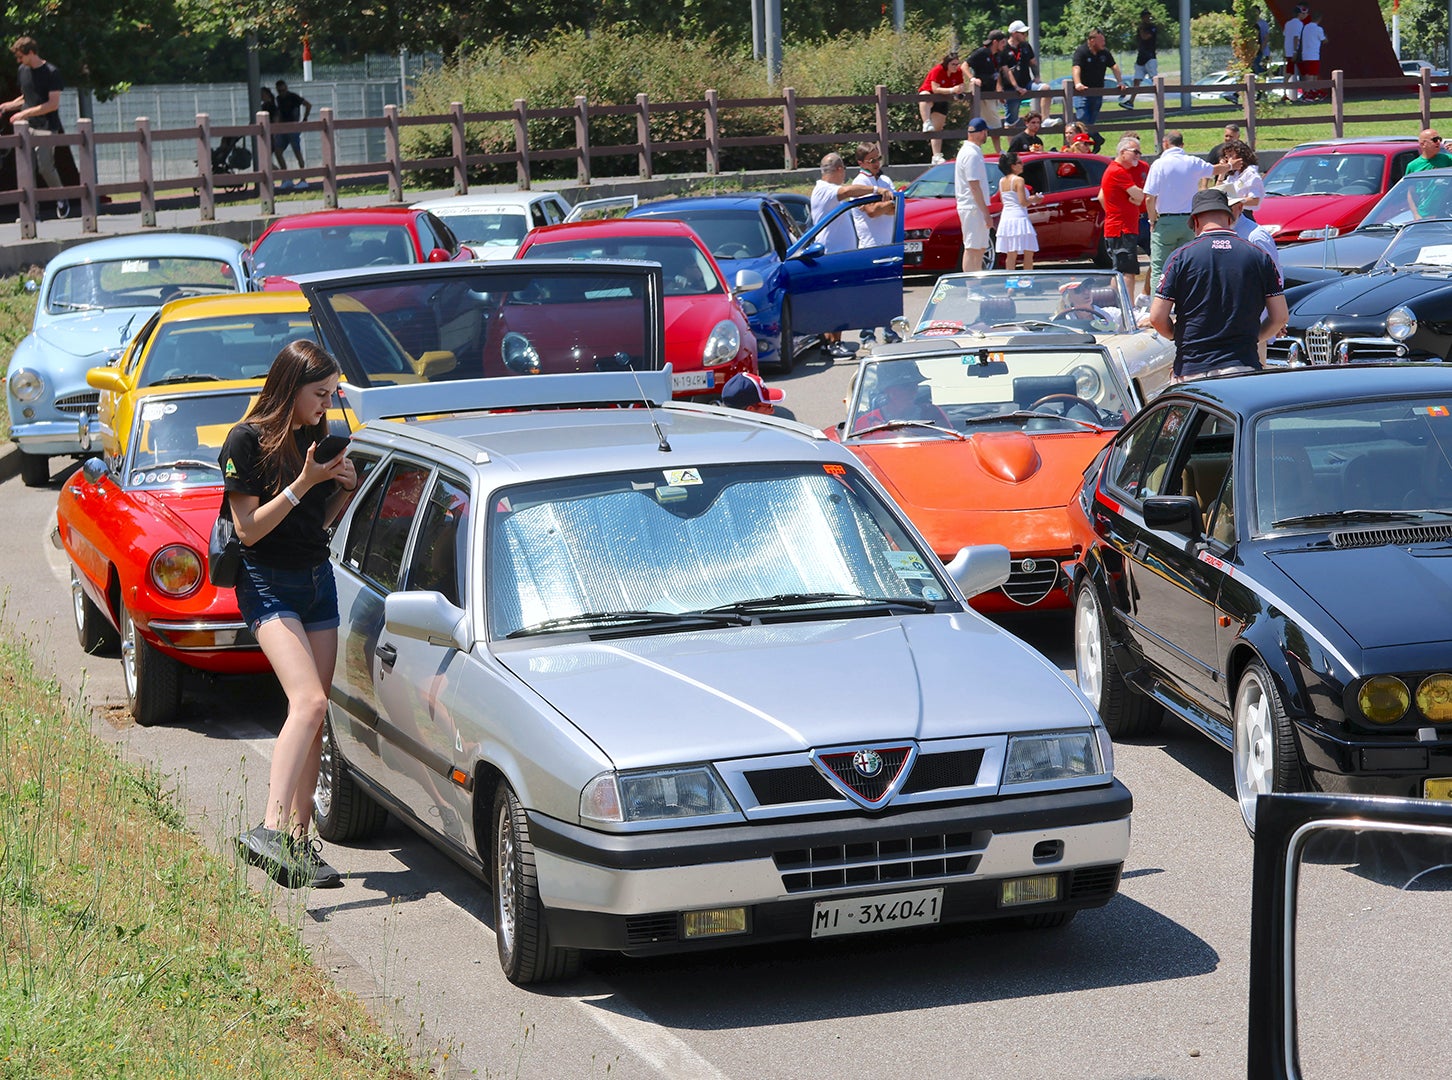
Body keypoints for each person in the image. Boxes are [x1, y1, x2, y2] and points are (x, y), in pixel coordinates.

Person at [227, 340, 357, 888]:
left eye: (332, 395)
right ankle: (269, 828)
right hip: (266, 584)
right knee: (308, 700)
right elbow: (249, 529)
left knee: (314, 716)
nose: (325, 405)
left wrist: (341, 493)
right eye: (318, 394)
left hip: (315, 580)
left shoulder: (316, 437)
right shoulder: (245, 440)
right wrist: (306, 480)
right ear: (291, 386)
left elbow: (311, 525)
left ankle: (299, 844)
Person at [1149, 188, 1287, 381]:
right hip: (1243, 366)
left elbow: (1156, 317)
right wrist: (1252, 339)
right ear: (1230, 219)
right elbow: (1280, 317)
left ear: (1195, 222)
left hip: (1192, 367)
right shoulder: (1259, 256)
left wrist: (1177, 336)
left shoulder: (1180, 257)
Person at [812, 151, 894, 358]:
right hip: (830, 255)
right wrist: (876, 189)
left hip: (837, 255)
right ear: (839, 170)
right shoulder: (825, 189)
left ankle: (831, 342)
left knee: (836, 301)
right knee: (835, 302)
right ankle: (832, 344)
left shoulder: (828, 190)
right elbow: (849, 191)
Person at [2, 37, 68, 219]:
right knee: (26, 170)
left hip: (46, 127)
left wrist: (24, 114)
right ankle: (31, 212)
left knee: (45, 167)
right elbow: (27, 96)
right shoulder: (22, 70)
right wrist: (8, 106)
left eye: (20, 56)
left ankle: (62, 198)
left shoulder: (52, 72)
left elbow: (52, 104)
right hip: (26, 128)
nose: (19, 61)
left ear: (31, 53)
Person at [1144, 130, 1214, 292]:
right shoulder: (1192, 161)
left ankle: (1158, 307)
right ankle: (1186, 305)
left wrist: (1152, 219)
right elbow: (1214, 170)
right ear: (1182, 145)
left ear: (1165, 144)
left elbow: (1149, 197)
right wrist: (1231, 165)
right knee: (1187, 265)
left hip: (1166, 221)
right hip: (1189, 221)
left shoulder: (1159, 164)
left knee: (1159, 268)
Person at [851, 141, 901, 348]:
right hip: (870, 246)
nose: (876, 163)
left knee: (888, 291)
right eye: (872, 160)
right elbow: (871, 212)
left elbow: (894, 209)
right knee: (869, 295)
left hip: (888, 244)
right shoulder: (860, 183)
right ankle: (867, 335)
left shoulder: (886, 180)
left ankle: (889, 331)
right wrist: (887, 203)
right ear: (861, 162)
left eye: (878, 158)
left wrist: (885, 204)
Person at [1100, 136, 1147, 297]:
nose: (1138, 155)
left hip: (1122, 226)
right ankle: (1129, 308)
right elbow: (1140, 196)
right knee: (1127, 271)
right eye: (1135, 152)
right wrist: (1134, 199)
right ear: (1122, 152)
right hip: (1121, 228)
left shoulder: (1118, 170)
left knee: (1121, 270)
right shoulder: (1117, 171)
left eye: (1139, 152)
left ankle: (1115, 305)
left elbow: (1102, 197)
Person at [854, 362, 955, 432]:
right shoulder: (867, 422)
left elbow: (952, 444)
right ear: (888, 390)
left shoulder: (932, 413)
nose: (913, 390)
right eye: (905, 386)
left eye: (915, 384)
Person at [1071, 29, 1123, 151]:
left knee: (1090, 121)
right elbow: (1076, 67)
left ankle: (1087, 147)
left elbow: (1114, 66)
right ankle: (1097, 138)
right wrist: (1078, 83)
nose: (1104, 43)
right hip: (1082, 93)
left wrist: (1120, 81)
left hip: (1098, 93)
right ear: (1092, 40)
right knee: (1082, 119)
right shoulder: (1081, 51)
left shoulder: (1104, 53)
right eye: (1101, 40)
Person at [955, 117, 993, 272]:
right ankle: (972, 287)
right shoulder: (971, 154)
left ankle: (976, 284)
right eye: (985, 132)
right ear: (981, 132)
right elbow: (974, 186)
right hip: (972, 207)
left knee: (980, 248)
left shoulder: (971, 151)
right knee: (972, 248)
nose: (986, 135)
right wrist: (986, 213)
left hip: (973, 206)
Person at [966, 31, 1012, 152]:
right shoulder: (981, 52)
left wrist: (999, 90)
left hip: (991, 93)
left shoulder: (998, 56)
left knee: (994, 124)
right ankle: (982, 149)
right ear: (995, 42)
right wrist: (972, 78)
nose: (1004, 45)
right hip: (980, 93)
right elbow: (964, 66)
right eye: (1002, 42)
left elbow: (997, 75)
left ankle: (998, 150)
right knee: (983, 123)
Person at [918, 52, 966, 165]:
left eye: (957, 64)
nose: (956, 66)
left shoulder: (958, 72)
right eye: (953, 64)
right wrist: (952, 90)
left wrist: (959, 90)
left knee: (938, 129)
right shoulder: (938, 70)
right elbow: (935, 89)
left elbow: (961, 85)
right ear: (947, 64)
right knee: (925, 96)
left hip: (943, 100)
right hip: (931, 95)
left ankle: (936, 156)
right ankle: (926, 122)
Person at [995, 152, 1041, 270]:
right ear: (1013, 166)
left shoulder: (1001, 181)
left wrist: (1029, 200)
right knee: (1028, 252)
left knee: (1011, 254)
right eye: (1019, 162)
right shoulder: (1019, 180)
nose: (1022, 165)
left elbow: (1004, 200)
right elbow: (1023, 202)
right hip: (1019, 217)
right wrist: (1034, 199)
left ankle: (1010, 282)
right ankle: (1027, 279)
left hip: (1006, 217)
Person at [274, 79, 312, 188]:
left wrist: (305, 118)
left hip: (293, 127)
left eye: (283, 89)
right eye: (279, 90)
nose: (282, 92)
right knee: (278, 151)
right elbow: (279, 114)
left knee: (297, 153)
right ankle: (286, 178)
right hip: (282, 129)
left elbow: (308, 105)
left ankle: (303, 179)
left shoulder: (293, 97)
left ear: (286, 88)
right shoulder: (278, 99)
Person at [1120, 11, 1159, 110]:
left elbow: (1145, 37)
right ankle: (1131, 101)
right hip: (1141, 57)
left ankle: (1159, 101)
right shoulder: (1140, 28)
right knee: (1137, 80)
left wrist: (1141, 28)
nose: (1148, 19)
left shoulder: (1152, 28)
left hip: (1150, 57)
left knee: (1154, 79)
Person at [1003, 21, 1038, 127]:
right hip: (1010, 88)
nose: (1025, 35)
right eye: (1022, 33)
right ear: (1014, 33)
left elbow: (1033, 63)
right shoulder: (1004, 48)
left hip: (1027, 84)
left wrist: (1037, 77)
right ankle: (1011, 143)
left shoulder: (1026, 46)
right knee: (1011, 121)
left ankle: (1045, 119)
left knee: (1045, 88)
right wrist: (1016, 87)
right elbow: (1006, 71)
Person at [1214, 139, 1264, 212]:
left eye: (1231, 155)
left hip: (1244, 213)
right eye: (1227, 157)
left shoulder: (1250, 174)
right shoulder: (1234, 175)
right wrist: (1223, 172)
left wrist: (1234, 203)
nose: (1229, 160)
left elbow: (1254, 200)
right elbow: (1218, 190)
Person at [1298, 11, 1326, 102]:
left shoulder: (1305, 27)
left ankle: (1312, 92)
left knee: (1310, 74)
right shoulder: (1318, 29)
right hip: (1314, 55)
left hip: (1305, 54)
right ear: (1319, 19)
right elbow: (1323, 39)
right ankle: (1307, 94)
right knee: (1312, 75)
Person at [258, 86, 287, 170]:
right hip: (268, 136)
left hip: (271, 136)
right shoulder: (266, 106)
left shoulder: (269, 106)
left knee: (266, 159)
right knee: (265, 159)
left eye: (262, 94)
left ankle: (282, 175)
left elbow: (276, 120)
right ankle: (282, 175)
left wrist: (274, 134)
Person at [1284, 5, 1306, 98]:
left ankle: (1285, 92)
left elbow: (1285, 35)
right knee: (1303, 72)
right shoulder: (1299, 24)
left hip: (1288, 51)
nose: (1304, 15)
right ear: (1299, 14)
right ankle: (1306, 92)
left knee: (1288, 73)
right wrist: (1295, 51)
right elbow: (1296, 37)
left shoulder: (1287, 24)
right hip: (1296, 52)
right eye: (1303, 13)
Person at [1255, 9, 1272, 74]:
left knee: (1262, 72)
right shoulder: (1249, 23)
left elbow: (1266, 37)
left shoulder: (1263, 23)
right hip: (1254, 52)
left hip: (1262, 52)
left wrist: (1261, 49)